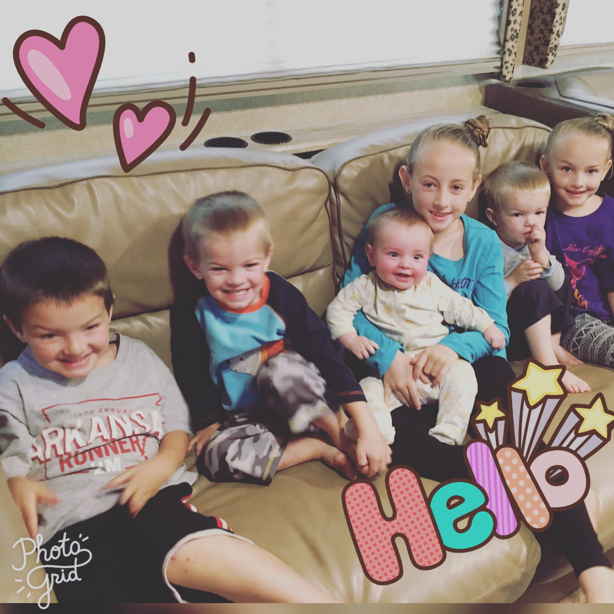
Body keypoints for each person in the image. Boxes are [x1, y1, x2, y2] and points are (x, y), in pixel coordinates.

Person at [343, 117, 614, 602]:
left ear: (474, 188)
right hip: (397, 375)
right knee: (406, 444)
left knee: (514, 424)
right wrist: (389, 359)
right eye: (429, 184)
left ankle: (594, 571)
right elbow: (350, 308)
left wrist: (451, 348)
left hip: (470, 363)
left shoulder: (484, 242)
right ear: (407, 180)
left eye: (455, 187)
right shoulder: (388, 227)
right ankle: (538, 490)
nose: (440, 200)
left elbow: (496, 328)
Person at [0, 237, 341, 604]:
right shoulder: (14, 382)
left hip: (146, 501)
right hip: (67, 529)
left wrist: (162, 464)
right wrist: (16, 482)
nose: (75, 347)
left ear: (109, 310)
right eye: (50, 335)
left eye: (89, 328)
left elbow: (176, 426)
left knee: (189, 551)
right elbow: (9, 449)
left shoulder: (138, 358)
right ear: (17, 329)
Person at [171, 191, 391, 486]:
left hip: (308, 400)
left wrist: (367, 426)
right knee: (213, 456)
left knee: (281, 369)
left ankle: (339, 435)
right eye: (219, 269)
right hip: (252, 417)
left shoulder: (281, 295)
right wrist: (207, 423)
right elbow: (191, 370)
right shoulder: (192, 307)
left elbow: (326, 355)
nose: (236, 280)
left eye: (249, 266)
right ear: (195, 266)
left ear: (267, 257)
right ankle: (316, 449)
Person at [327, 208, 504, 446]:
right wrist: (351, 339)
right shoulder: (365, 286)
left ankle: (448, 434)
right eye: (393, 254)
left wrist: (488, 326)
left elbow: (462, 309)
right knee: (366, 389)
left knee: (463, 375)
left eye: (417, 257)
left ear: (428, 258)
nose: (405, 265)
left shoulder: (431, 285)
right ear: (371, 255)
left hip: (436, 370)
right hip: (392, 379)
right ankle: (379, 435)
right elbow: (337, 311)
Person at [483, 161, 589, 393]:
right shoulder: (488, 249)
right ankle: (549, 365)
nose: (531, 222)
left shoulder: (534, 243)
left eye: (539, 213)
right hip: (508, 333)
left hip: (539, 328)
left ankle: (552, 343)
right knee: (534, 289)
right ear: (494, 217)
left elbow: (560, 288)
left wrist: (541, 256)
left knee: (559, 276)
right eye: (518, 214)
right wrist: (513, 281)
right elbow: (484, 302)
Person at [541, 113, 614, 369]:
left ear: (605, 170)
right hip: (569, 322)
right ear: (546, 166)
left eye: (591, 171)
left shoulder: (611, 217)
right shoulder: (536, 213)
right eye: (567, 169)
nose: (578, 182)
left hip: (605, 319)